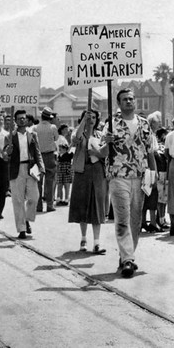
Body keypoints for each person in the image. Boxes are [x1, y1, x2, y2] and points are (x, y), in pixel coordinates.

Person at [100, 88, 156, 278]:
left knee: (135, 219)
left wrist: (153, 176)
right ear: (119, 103)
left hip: (139, 176)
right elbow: (102, 151)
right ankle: (128, 260)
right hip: (118, 175)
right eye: (124, 99)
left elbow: (150, 152)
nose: (129, 102)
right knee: (122, 217)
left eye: (131, 99)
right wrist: (106, 142)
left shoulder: (144, 124)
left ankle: (127, 253)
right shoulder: (111, 124)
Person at [69, 109, 108, 254]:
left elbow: (106, 153)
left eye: (93, 117)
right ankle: (83, 238)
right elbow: (75, 139)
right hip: (82, 171)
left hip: (97, 171)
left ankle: (97, 242)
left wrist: (97, 153)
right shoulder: (79, 132)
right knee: (82, 205)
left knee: (97, 206)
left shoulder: (101, 135)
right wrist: (83, 123)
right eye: (88, 117)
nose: (91, 120)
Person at [5, 110, 45, 239]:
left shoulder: (32, 135)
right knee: (18, 200)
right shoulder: (10, 137)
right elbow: (5, 156)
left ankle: (27, 219)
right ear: (15, 121)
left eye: (24, 118)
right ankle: (21, 229)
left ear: (27, 120)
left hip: (31, 168)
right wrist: (8, 152)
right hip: (16, 170)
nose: (22, 120)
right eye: (19, 118)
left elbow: (37, 152)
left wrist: (41, 167)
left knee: (34, 197)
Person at [33, 107, 59, 213]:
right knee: (50, 181)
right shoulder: (53, 127)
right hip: (50, 155)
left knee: (38, 181)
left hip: (38, 155)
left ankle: (38, 205)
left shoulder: (35, 128)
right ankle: (49, 204)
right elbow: (56, 138)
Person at [56, 124, 73, 206]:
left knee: (64, 184)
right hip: (62, 168)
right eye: (66, 129)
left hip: (65, 168)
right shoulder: (61, 138)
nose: (67, 131)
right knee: (60, 184)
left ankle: (64, 198)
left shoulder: (61, 138)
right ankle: (60, 198)